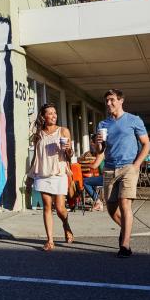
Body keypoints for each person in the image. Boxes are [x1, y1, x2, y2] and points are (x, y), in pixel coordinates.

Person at [92, 89, 150, 258]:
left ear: (121, 100)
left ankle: (125, 245)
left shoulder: (134, 120)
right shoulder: (103, 124)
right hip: (110, 168)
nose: (108, 103)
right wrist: (98, 143)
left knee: (125, 203)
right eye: (106, 101)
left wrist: (136, 165)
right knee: (111, 209)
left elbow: (146, 144)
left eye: (112, 100)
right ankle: (125, 230)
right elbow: (100, 151)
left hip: (128, 167)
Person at [25, 103, 75, 251]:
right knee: (47, 206)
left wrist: (68, 150)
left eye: (55, 113)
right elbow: (36, 157)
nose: (54, 115)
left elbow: (70, 155)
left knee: (60, 209)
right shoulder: (38, 135)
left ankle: (66, 225)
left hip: (58, 173)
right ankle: (50, 240)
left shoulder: (63, 131)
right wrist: (30, 176)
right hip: (42, 174)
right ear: (43, 116)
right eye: (50, 113)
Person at [80, 135, 104, 211]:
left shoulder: (101, 152)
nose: (91, 145)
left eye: (92, 143)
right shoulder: (107, 150)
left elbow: (94, 166)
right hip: (111, 175)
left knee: (85, 181)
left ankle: (98, 202)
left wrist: (82, 165)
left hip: (106, 177)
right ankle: (97, 200)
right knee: (91, 180)